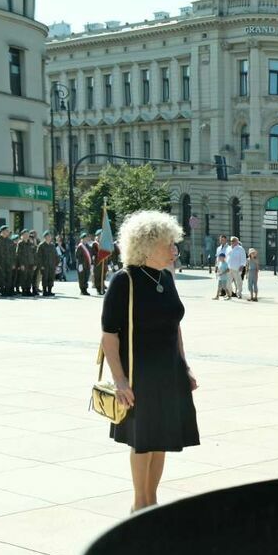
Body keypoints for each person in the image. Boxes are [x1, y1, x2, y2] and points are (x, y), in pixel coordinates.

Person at [99, 210, 199, 512]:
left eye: (174, 244)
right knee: (143, 441)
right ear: (147, 246)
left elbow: (174, 326)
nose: (174, 251)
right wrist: (119, 380)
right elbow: (109, 337)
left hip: (168, 371)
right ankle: (138, 504)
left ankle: (151, 501)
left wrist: (185, 365)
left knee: (161, 439)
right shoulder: (124, 281)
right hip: (139, 373)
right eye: (169, 244)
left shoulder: (166, 278)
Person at [38, 231, 59, 296]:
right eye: (48, 236)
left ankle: (49, 291)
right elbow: (39, 256)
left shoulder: (52, 245)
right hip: (45, 265)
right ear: (45, 237)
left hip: (52, 265)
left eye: (50, 236)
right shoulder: (41, 245)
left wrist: (57, 263)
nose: (50, 237)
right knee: (45, 278)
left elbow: (56, 255)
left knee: (51, 278)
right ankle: (45, 291)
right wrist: (41, 265)